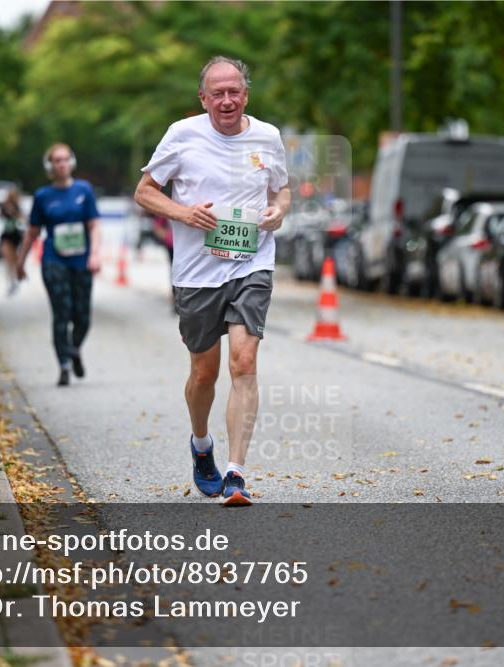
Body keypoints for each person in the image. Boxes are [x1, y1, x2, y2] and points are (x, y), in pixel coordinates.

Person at [134, 56, 290, 506]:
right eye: (217, 93)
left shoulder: (268, 137)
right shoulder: (182, 136)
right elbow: (145, 191)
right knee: (204, 374)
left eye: (235, 91)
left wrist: (279, 211)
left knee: (243, 362)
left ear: (246, 94)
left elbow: (281, 189)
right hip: (197, 273)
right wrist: (185, 213)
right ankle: (202, 447)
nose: (227, 100)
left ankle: (237, 473)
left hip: (251, 263)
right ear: (203, 99)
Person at [16, 143, 102, 386]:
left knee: (82, 317)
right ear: (50, 166)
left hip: (81, 261)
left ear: (71, 163)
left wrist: (94, 254)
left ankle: (73, 349)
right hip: (54, 261)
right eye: (56, 160)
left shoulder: (84, 190)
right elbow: (32, 232)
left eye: (65, 159)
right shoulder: (43, 196)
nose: (61, 164)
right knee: (61, 313)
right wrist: (20, 263)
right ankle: (63, 364)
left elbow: (94, 226)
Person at [0, 189, 25, 296]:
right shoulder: (3, 207)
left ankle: (14, 280)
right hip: (6, 236)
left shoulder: (17, 207)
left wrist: (14, 213)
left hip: (15, 235)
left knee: (14, 259)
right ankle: (10, 281)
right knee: (8, 260)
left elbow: (21, 218)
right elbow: (1, 217)